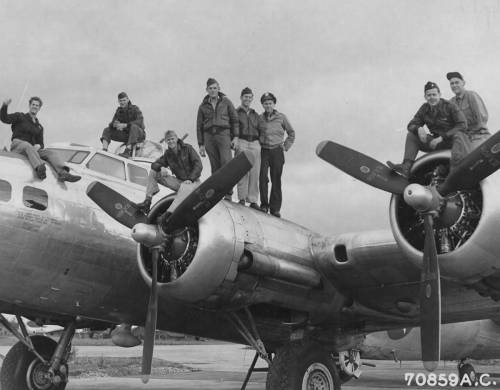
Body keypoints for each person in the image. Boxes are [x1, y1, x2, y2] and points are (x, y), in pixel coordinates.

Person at [387, 81, 467, 178]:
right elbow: (411, 124)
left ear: (439, 94)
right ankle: (406, 167)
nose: (432, 97)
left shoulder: (449, 106)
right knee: (411, 135)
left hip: (453, 144)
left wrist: (442, 137)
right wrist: (419, 128)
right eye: (429, 95)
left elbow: (463, 125)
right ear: (425, 97)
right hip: (436, 144)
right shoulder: (424, 108)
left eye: (434, 94)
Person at [0, 97, 81, 182]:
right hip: (18, 145)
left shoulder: (39, 127)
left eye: (37, 105)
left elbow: (41, 143)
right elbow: (4, 118)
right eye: (33, 104)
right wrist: (5, 105)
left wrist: (39, 146)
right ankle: (40, 169)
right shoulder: (20, 116)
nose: (35, 106)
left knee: (50, 153)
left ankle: (64, 173)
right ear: (29, 105)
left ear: (39, 108)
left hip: (32, 150)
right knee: (27, 146)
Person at [137, 130, 203, 213]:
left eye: (172, 139)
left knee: (185, 186)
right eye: (168, 140)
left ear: (176, 138)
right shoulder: (168, 154)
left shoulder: (188, 148)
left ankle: (168, 214)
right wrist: (161, 167)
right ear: (165, 141)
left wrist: (190, 179)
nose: (171, 141)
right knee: (154, 172)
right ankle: (147, 202)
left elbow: (198, 165)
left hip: (193, 183)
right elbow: (154, 164)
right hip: (180, 183)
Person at [196, 78, 239, 200]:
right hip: (209, 136)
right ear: (207, 90)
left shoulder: (226, 102)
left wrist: (235, 137)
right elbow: (199, 126)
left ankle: (228, 193)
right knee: (215, 167)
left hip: (223, 134)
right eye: (210, 88)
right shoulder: (203, 106)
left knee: (226, 163)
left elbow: (235, 120)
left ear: (219, 88)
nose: (213, 90)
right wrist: (201, 144)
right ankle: (217, 193)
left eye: (215, 88)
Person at [259, 92, 295, 218]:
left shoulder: (281, 117)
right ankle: (264, 205)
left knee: (276, 179)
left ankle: (275, 209)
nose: (268, 105)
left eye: (270, 103)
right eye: (265, 103)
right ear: (262, 105)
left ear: (274, 104)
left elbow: (291, 133)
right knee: (263, 177)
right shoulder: (260, 118)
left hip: (277, 151)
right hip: (264, 151)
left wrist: (285, 146)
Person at [235, 87, 265, 210]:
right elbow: (233, 126)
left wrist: (260, 142)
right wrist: (234, 139)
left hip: (255, 143)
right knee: (241, 170)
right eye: (245, 97)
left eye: (249, 97)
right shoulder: (235, 112)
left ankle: (252, 200)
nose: (247, 99)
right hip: (242, 141)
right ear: (241, 98)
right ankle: (241, 198)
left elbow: (261, 128)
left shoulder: (255, 114)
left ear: (252, 99)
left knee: (255, 171)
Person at [447, 71, 491, 149]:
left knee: (472, 158)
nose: (454, 85)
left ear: (463, 83)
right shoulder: (451, 103)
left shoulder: (471, 96)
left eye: (457, 82)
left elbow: (481, 120)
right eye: (452, 83)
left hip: (478, 136)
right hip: (463, 139)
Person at [101, 92, 145, 158]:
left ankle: (127, 151)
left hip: (139, 135)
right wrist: (114, 124)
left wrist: (125, 125)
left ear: (127, 100)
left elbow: (140, 121)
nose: (122, 102)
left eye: (124, 100)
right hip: (127, 136)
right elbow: (112, 123)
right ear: (118, 101)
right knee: (107, 130)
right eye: (120, 101)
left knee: (133, 127)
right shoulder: (118, 111)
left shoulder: (135, 109)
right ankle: (104, 150)